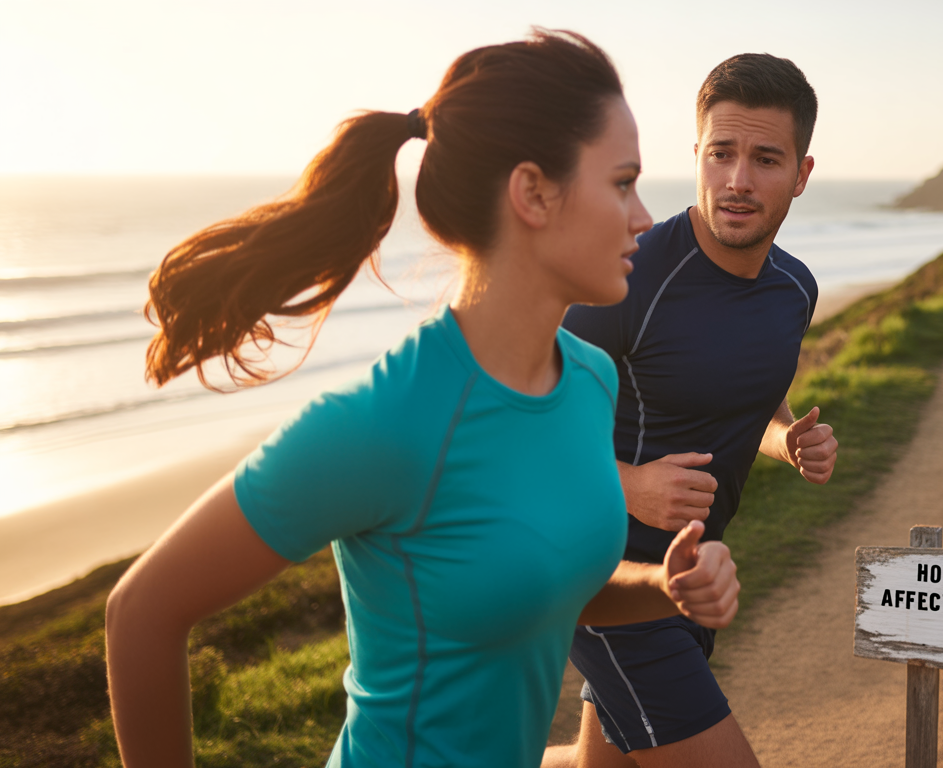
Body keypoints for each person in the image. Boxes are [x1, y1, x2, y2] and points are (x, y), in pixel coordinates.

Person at [105, 30, 743, 768]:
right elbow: (141, 612)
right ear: (534, 192)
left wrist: (666, 586)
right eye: (623, 181)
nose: (643, 217)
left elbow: (542, 582)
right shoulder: (385, 425)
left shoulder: (591, 380)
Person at [545, 53, 839, 768]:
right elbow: (522, 429)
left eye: (766, 159)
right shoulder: (624, 275)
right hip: (603, 578)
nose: (738, 180)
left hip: (689, 583)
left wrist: (785, 442)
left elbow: (758, 399)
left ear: (801, 173)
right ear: (698, 156)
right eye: (722, 154)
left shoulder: (793, 289)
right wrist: (630, 485)